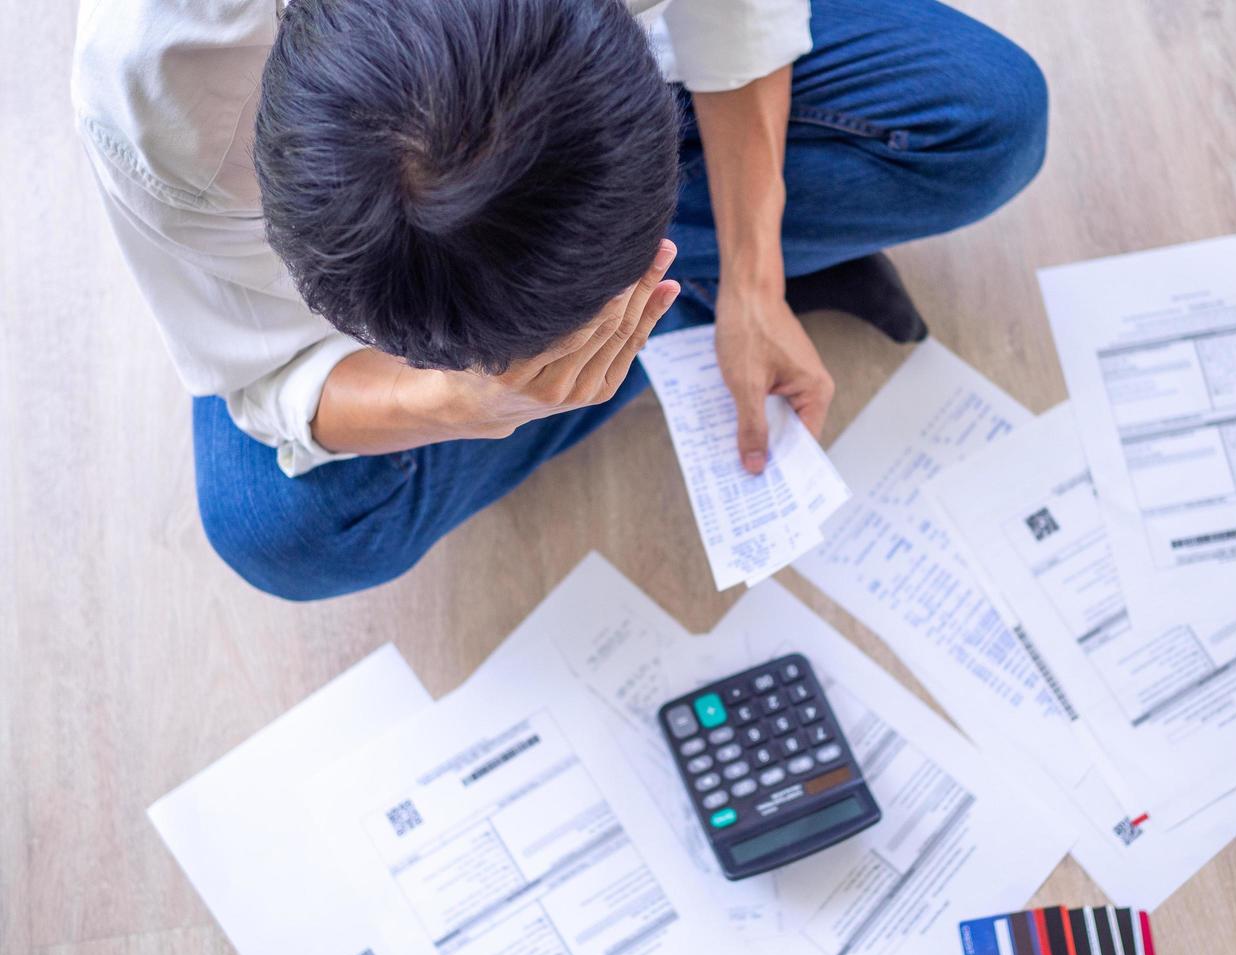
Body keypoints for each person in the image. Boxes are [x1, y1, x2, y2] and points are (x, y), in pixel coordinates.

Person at [72, 0, 1047, 600]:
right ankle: (671, 303)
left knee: (988, 121)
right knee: (284, 530)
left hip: (606, 94)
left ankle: (691, 290)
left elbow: (732, 13)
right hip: (340, 229)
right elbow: (266, 371)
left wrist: (756, 268)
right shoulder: (164, 98)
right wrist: (453, 400)